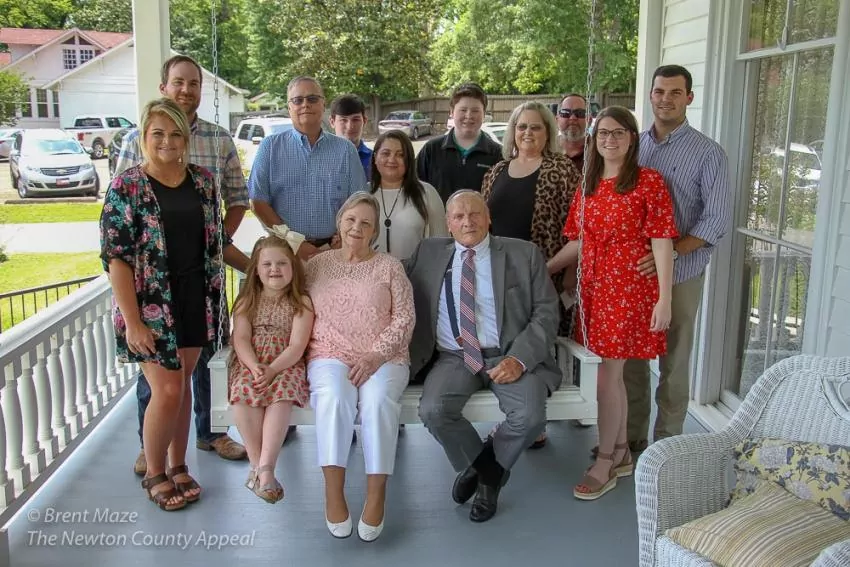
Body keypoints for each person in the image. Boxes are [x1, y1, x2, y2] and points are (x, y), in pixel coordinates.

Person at [115, 55, 250, 475]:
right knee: (162, 384)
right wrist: (131, 318)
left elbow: (233, 207)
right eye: (179, 82)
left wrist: (226, 249)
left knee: (196, 371)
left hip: (197, 288)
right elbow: (118, 244)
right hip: (152, 295)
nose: (186, 90)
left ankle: (196, 447)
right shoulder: (131, 166)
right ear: (164, 87)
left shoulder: (212, 159)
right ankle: (152, 454)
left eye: (194, 83)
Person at [101, 98, 230, 510]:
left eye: (175, 133)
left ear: (186, 138)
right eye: (158, 133)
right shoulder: (126, 187)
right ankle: (155, 472)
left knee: (184, 384)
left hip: (195, 296)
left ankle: (178, 465)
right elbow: (116, 259)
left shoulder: (203, 182)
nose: (167, 141)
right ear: (144, 136)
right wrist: (133, 321)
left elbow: (215, 242)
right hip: (150, 305)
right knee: (167, 389)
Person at [548, 106, 678, 500]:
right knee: (611, 374)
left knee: (607, 374)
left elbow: (662, 242)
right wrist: (545, 268)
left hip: (628, 290)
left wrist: (665, 299)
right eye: (603, 133)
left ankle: (604, 460)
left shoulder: (648, 181)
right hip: (593, 290)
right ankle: (620, 451)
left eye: (618, 132)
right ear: (594, 139)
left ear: (632, 138)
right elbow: (579, 241)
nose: (610, 140)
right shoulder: (588, 184)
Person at [407, 190, 561, 523]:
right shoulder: (428, 252)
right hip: (455, 356)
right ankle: (489, 474)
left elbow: (547, 313)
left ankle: (482, 473)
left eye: (475, 214)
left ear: (488, 217)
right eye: (459, 216)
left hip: (509, 354)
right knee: (434, 410)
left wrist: (519, 359)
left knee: (530, 416)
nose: (468, 222)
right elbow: (388, 277)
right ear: (448, 224)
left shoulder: (523, 254)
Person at [624, 65, 731, 452]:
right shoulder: (633, 146)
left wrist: (669, 253)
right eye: (659, 91)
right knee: (632, 360)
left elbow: (715, 220)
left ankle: (666, 445)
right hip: (634, 274)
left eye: (674, 92)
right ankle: (632, 437)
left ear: (689, 97)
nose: (665, 99)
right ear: (650, 95)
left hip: (682, 272)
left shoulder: (708, 153)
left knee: (674, 360)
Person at [305, 192, 415, 541]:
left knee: (378, 401)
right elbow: (296, 310)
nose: (357, 227)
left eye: (366, 223)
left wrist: (375, 356)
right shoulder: (316, 265)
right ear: (339, 222)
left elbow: (405, 318)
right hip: (329, 353)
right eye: (351, 219)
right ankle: (333, 492)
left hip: (384, 356)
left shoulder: (390, 266)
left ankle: (376, 493)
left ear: (374, 231)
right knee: (335, 397)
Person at [480, 101, 582, 448]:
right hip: (498, 276)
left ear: (547, 132)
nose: (527, 133)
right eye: (521, 126)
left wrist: (564, 270)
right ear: (512, 131)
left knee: (537, 343)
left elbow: (577, 229)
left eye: (535, 127)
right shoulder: (497, 171)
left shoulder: (562, 169)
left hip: (545, 272)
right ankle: (513, 414)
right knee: (505, 342)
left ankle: (535, 422)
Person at [228, 235, 313, 504]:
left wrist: (273, 369)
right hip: (252, 361)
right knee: (243, 390)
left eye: (282, 263)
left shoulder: (301, 302)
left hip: (285, 362)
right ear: (256, 270)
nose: (274, 269)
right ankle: (260, 468)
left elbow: (297, 345)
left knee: (282, 395)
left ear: (293, 268)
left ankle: (265, 468)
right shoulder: (247, 301)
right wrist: (254, 366)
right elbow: (241, 338)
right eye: (267, 264)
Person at [249, 76, 367, 261]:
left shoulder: (346, 150)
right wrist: (293, 241)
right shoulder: (270, 147)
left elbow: (359, 202)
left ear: (323, 104)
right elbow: (257, 202)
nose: (305, 104)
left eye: (312, 99)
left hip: (336, 250)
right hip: (285, 252)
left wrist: (344, 236)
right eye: (297, 100)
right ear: (289, 107)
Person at [416, 83, 502, 202]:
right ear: (451, 112)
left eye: (475, 110)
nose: (469, 115)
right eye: (463, 110)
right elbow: (415, 190)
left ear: (484, 114)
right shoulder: (431, 149)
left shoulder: (497, 154)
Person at [369, 130, 447, 259]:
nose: (392, 160)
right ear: (375, 158)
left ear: (409, 160)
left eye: (400, 155)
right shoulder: (364, 193)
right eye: (386, 153)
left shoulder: (427, 193)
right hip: (370, 271)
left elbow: (442, 245)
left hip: (417, 270)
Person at [330, 93, 372, 180]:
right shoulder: (321, 158)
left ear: (364, 121)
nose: (350, 126)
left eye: (355, 119)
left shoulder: (376, 160)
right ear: (332, 122)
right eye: (343, 120)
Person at [556, 93, 593, 172]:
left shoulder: (599, 150)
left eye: (580, 113)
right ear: (557, 120)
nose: (572, 118)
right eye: (566, 113)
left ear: (589, 120)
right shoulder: (547, 148)